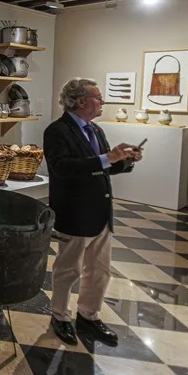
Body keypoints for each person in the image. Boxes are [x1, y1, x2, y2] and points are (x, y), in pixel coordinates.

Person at [45, 78, 142, 347]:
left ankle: (89, 315)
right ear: (80, 101)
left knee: (100, 271)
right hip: (75, 212)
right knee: (68, 270)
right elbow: (62, 167)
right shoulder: (57, 131)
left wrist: (125, 160)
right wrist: (107, 158)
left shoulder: (95, 130)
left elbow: (103, 167)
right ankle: (60, 316)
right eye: (98, 97)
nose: (102, 102)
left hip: (100, 213)